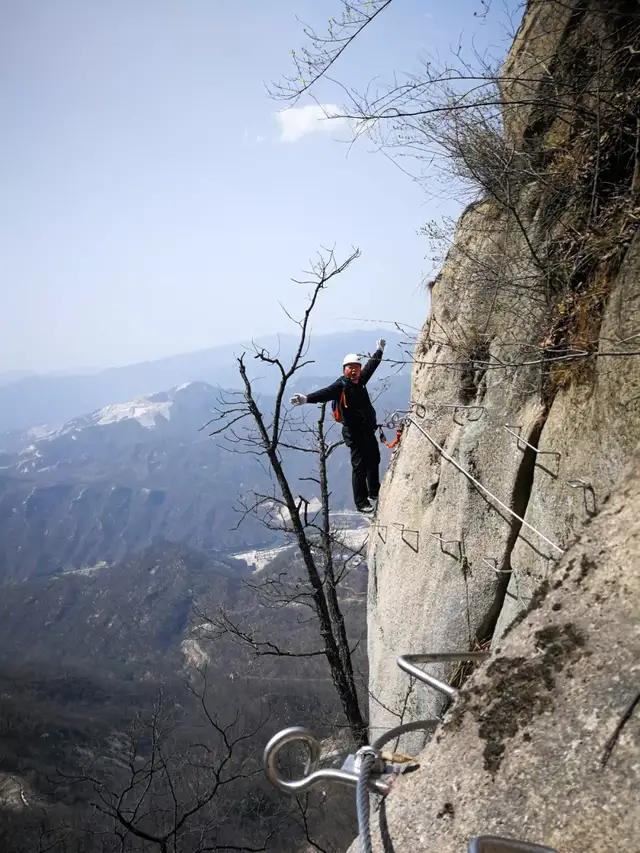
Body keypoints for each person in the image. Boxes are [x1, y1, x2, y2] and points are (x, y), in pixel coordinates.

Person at [290, 339, 386, 514]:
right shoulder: (340, 386)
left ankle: (374, 491)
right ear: (344, 370)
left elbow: (371, 366)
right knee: (359, 466)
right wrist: (306, 399)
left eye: (356, 366)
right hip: (354, 433)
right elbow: (324, 393)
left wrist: (379, 351)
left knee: (374, 459)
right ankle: (361, 502)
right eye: (350, 367)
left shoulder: (360, 380)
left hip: (367, 430)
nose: (355, 370)